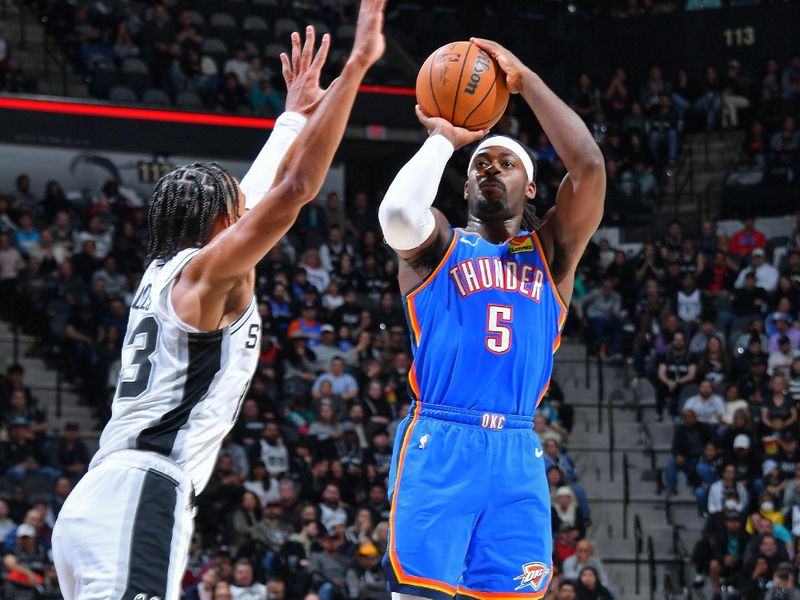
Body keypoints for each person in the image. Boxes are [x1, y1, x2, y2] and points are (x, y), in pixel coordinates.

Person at [51, 5, 387, 599]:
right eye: (236, 210)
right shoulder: (207, 275)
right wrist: (357, 67)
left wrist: (290, 120)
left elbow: (257, 194)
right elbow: (295, 189)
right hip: (141, 492)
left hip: (104, 499)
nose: (245, 210)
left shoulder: (171, 272)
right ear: (225, 224)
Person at [377, 37, 605, 599]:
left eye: (506, 164)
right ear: (465, 183)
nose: (491, 171)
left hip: (518, 452)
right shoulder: (439, 247)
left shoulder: (551, 252)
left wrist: (525, 81)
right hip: (442, 437)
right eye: (481, 164)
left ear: (529, 186)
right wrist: (442, 139)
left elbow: (590, 166)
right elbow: (398, 212)